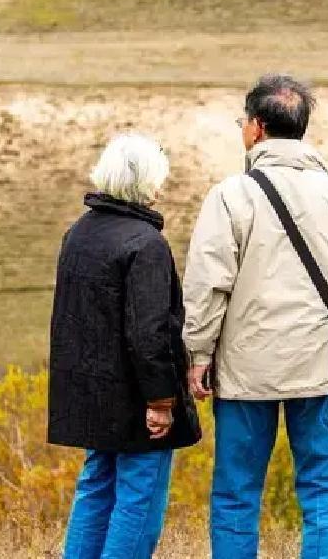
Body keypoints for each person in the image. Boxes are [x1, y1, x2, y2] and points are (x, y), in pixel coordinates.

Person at [183, 74, 328, 559]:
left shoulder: (230, 196)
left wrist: (198, 353)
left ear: (256, 127)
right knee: (324, 493)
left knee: (236, 495)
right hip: (322, 369)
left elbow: (207, 284)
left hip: (245, 371)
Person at [48, 134, 201, 559]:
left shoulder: (78, 233)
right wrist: (162, 400)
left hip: (91, 392)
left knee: (95, 486)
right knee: (139, 498)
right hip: (135, 397)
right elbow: (150, 332)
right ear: (147, 182)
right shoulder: (145, 243)